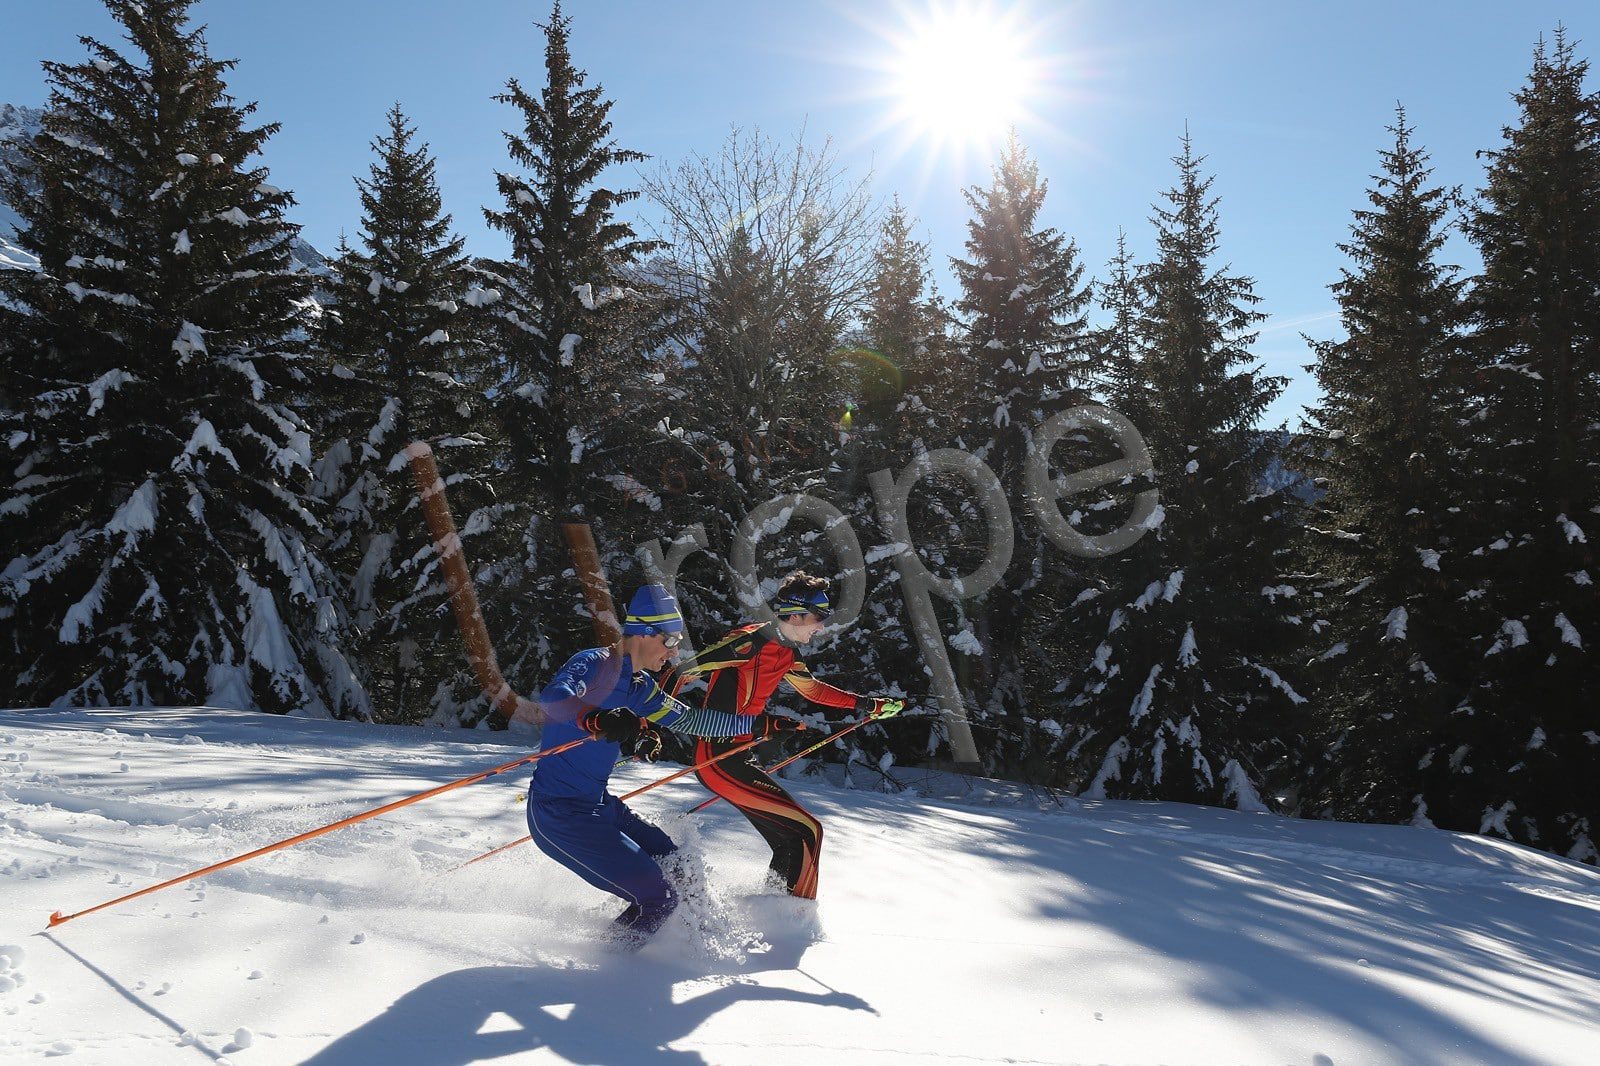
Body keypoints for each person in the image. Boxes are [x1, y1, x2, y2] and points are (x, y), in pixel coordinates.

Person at [526, 583, 777, 949]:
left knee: (680, 869)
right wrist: (594, 720)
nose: (674, 654)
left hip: (599, 806)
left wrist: (759, 726)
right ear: (645, 632)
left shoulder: (640, 686)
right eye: (672, 641)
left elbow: (694, 722)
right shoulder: (595, 664)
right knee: (659, 899)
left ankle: (700, 945)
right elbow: (553, 698)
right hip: (558, 814)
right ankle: (605, 973)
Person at [662, 571, 905, 900]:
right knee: (808, 831)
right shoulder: (751, 640)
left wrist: (868, 704)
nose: (821, 626)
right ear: (795, 614)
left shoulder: (787, 652)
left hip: (739, 756)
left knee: (790, 840)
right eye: (818, 618)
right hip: (717, 758)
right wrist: (647, 728)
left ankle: (773, 918)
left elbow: (814, 691)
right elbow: (682, 671)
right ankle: (793, 920)